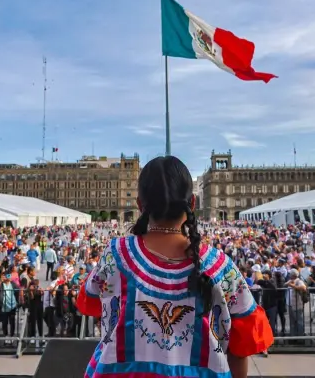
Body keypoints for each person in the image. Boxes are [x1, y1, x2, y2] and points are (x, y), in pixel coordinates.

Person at [77, 156, 273, 378]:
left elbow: (90, 304)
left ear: (140, 205)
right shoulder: (221, 268)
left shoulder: (116, 256)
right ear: (192, 203)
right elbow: (242, 345)